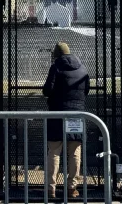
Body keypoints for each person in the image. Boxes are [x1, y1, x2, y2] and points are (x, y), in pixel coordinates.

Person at [42, 42, 90, 199]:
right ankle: (72, 188)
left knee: (54, 151)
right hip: (77, 115)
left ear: (57, 55)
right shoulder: (82, 68)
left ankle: (51, 189)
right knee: (75, 152)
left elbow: (47, 90)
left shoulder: (56, 67)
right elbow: (86, 90)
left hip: (57, 115)